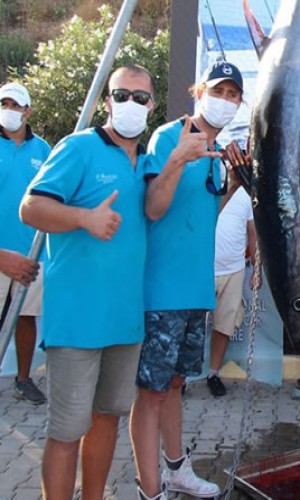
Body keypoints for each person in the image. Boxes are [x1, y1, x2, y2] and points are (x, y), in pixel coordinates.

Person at [19, 65, 156, 500]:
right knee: (65, 431)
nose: (130, 104)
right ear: (107, 100)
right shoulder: (77, 148)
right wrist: (84, 218)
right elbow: (31, 208)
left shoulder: (147, 163)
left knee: (108, 419)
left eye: (140, 97)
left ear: (151, 106)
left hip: (124, 321)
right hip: (77, 322)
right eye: (122, 94)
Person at [129, 60, 244, 500]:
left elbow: (203, 214)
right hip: (161, 291)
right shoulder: (167, 137)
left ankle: (177, 469)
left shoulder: (216, 151)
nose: (226, 101)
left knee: (176, 384)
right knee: (152, 391)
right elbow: (154, 207)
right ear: (198, 92)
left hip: (197, 289)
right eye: (219, 91)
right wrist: (179, 156)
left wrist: (234, 183)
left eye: (234, 95)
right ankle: (149, 486)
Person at [0, 81, 51, 405]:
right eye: (4, 104)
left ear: (27, 111)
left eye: (15, 106)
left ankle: (22, 379)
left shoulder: (42, 150)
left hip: (30, 250)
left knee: (26, 317)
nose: (8, 111)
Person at [207, 186, 258, 397]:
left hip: (234, 270)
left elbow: (253, 234)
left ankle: (213, 374)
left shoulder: (247, 193)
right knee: (191, 325)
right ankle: (180, 377)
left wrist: (257, 269)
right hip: (202, 269)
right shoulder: (208, 183)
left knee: (224, 327)